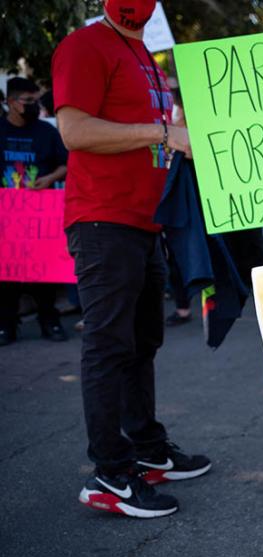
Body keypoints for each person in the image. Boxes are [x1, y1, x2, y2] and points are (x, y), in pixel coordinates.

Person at [53, 0, 211, 518]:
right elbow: (74, 131)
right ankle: (110, 475)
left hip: (145, 220)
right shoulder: (84, 45)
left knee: (142, 341)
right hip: (104, 220)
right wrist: (162, 133)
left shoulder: (143, 52)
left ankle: (146, 447)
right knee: (108, 344)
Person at [0, 77, 69, 346]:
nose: (33, 106)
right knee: (6, 275)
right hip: (6, 216)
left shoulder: (46, 132)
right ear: (11, 103)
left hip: (39, 215)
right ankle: (6, 325)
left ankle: (49, 321)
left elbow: (67, 163)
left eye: (35, 100)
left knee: (44, 272)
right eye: (27, 101)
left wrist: (50, 179)